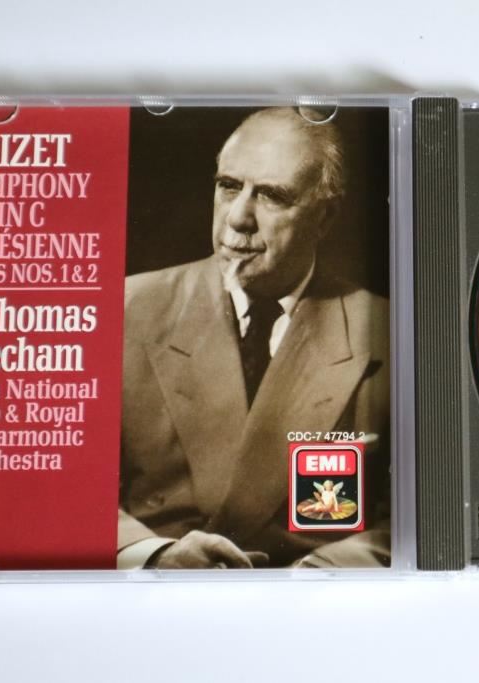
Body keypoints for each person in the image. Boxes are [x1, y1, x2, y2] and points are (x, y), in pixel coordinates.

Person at [116, 107, 390, 569]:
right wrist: (154, 554)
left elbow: (416, 513)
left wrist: (320, 575)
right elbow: (64, 481)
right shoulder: (125, 310)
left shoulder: (386, 334)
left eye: (271, 196)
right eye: (229, 186)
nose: (238, 218)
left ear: (324, 217)